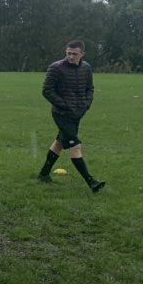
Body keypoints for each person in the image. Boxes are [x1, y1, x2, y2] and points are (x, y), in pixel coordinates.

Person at [38, 40, 105, 192]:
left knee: (59, 143)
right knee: (75, 145)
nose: (71, 56)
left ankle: (44, 174)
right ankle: (92, 182)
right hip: (61, 114)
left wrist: (86, 104)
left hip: (77, 114)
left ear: (82, 54)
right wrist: (64, 105)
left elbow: (90, 88)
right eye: (68, 53)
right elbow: (47, 90)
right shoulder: (56, 68)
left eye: (75, 54)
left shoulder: (86, 68)